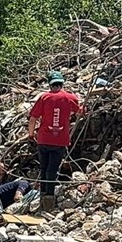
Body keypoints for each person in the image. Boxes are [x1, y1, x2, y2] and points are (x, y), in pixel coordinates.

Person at [28, 71, 83, 212]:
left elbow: (33, 118)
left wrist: (30, 134)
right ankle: (49, 200)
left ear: (50, 84)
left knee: (44, 168)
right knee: (52, 169)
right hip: (60, 140)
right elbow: (80, 112)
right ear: (62, 83)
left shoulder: (44, 98)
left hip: (44, 139)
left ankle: (43, 197)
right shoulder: (70, 97)